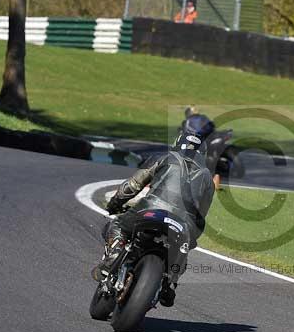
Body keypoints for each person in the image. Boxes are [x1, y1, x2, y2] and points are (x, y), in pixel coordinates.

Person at [92, 126, 215, 307]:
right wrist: (192, 237)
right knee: (183, 248)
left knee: (117, 224)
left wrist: (115, 204)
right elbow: (201, 215)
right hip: (183, 224)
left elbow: (132, 186)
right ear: (202, 152)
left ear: (178, 143)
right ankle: (170, 283)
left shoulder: (164, 157)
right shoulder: (207, 178)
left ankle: (113, 257)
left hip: (151, 209)